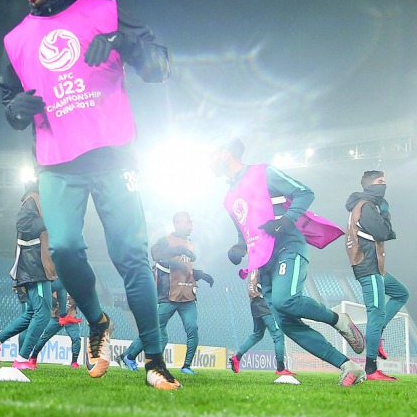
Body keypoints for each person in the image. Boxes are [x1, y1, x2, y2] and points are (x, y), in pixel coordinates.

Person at [0, 0, 180, 391]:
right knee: (61, 248)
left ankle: (154, 360)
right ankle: (98, 322)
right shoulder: (16, 39)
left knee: (131, 256)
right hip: (57, 163)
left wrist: (123, 42)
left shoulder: (105, 12)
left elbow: (160, 67)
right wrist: (14, 108)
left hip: (114, 154)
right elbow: (7, 99)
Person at [212, 138, 367, 386]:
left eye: (212, 155)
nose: (209, 162)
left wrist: (287, 219)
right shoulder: (228, 198)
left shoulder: (262, 172)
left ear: (225, 153)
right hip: (262, 261)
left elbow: (304, 192)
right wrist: (239, 247)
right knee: (286, 322)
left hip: (287, 246)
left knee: (286, 301)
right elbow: (244, 229)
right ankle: (348, 366)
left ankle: (340, 320)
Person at [121, 212, 214, 374]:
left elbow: (185, 268)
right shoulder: (165, 240)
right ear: (177, 224)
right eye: (187, 222)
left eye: (192, 222)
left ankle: (186, 366)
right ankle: (128, 356)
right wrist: (178, 249)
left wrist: (201, 275)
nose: (191, 225)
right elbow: (156, 254)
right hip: (168, 295)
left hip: (188, 296)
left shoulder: (190, 243)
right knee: (154, 329)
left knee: (192, 328)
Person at [345, 170, 410, 381]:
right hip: (368, 265)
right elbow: (382, 233)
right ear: (369, 185)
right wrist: (386, 214)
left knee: (401, 293)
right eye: (380, 181)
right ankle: (371, 369)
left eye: (385, 181)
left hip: (376, 266)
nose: (384, 184)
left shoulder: (365, 205)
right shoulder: (366, 206)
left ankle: (377, 332)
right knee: (376, 314)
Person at [0, 179, 55, 370]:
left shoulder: (38, 200)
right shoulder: (33, 200)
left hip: (34, 264)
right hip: (35, 266)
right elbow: (23, 225)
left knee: (31, 313)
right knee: (43, 315)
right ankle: (23, 359)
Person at [229, 271, 293, 377]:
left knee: (257, 334)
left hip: (254, 304)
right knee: (278, 335)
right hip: (264, 304)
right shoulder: (264, 267)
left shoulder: (254, 268)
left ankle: (237, 358)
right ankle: (280, 368)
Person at [24, 280, 84, 368]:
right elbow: (50, 301)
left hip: (71, 318)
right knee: (44, 337)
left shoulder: (76, 289)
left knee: (76, 338)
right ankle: (33, 357)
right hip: (56, 317)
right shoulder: (57, 286)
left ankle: (74, 362)